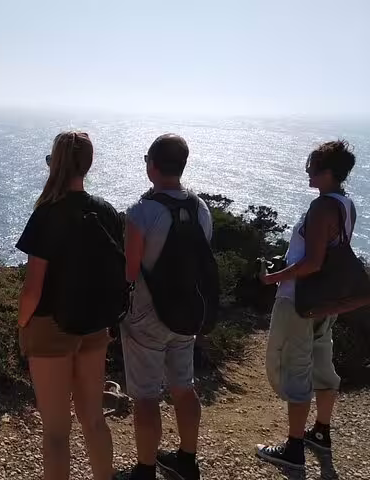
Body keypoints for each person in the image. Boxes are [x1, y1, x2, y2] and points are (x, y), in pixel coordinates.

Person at [16, 132, 124, 480]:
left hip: (50, 326)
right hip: (93, 325)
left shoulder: (47, 214)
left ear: (55, 164)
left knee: (57, 432)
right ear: (87, 165)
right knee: (94, 420)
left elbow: (33, 288)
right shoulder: (106, 211)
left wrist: (21, 325)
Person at [257, 140, 357, 470]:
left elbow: (312, 262)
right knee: (322, 363)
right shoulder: (346, 205)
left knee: (293, 368)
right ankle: (321, 433)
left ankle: (294, 448)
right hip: (326, 301)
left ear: (328, 172)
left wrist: (274, 278)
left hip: (299, 299)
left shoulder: (322, 207)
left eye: (312, 167)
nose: (308, 172)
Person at [121, 134, 212, 480]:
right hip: (187, 312)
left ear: (152, 165)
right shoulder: (201, 208)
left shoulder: (140, 213)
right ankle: (187, 460)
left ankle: (145, 471)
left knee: (146, 396)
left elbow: (130, 273)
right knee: (183, 387)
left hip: (147, 314)